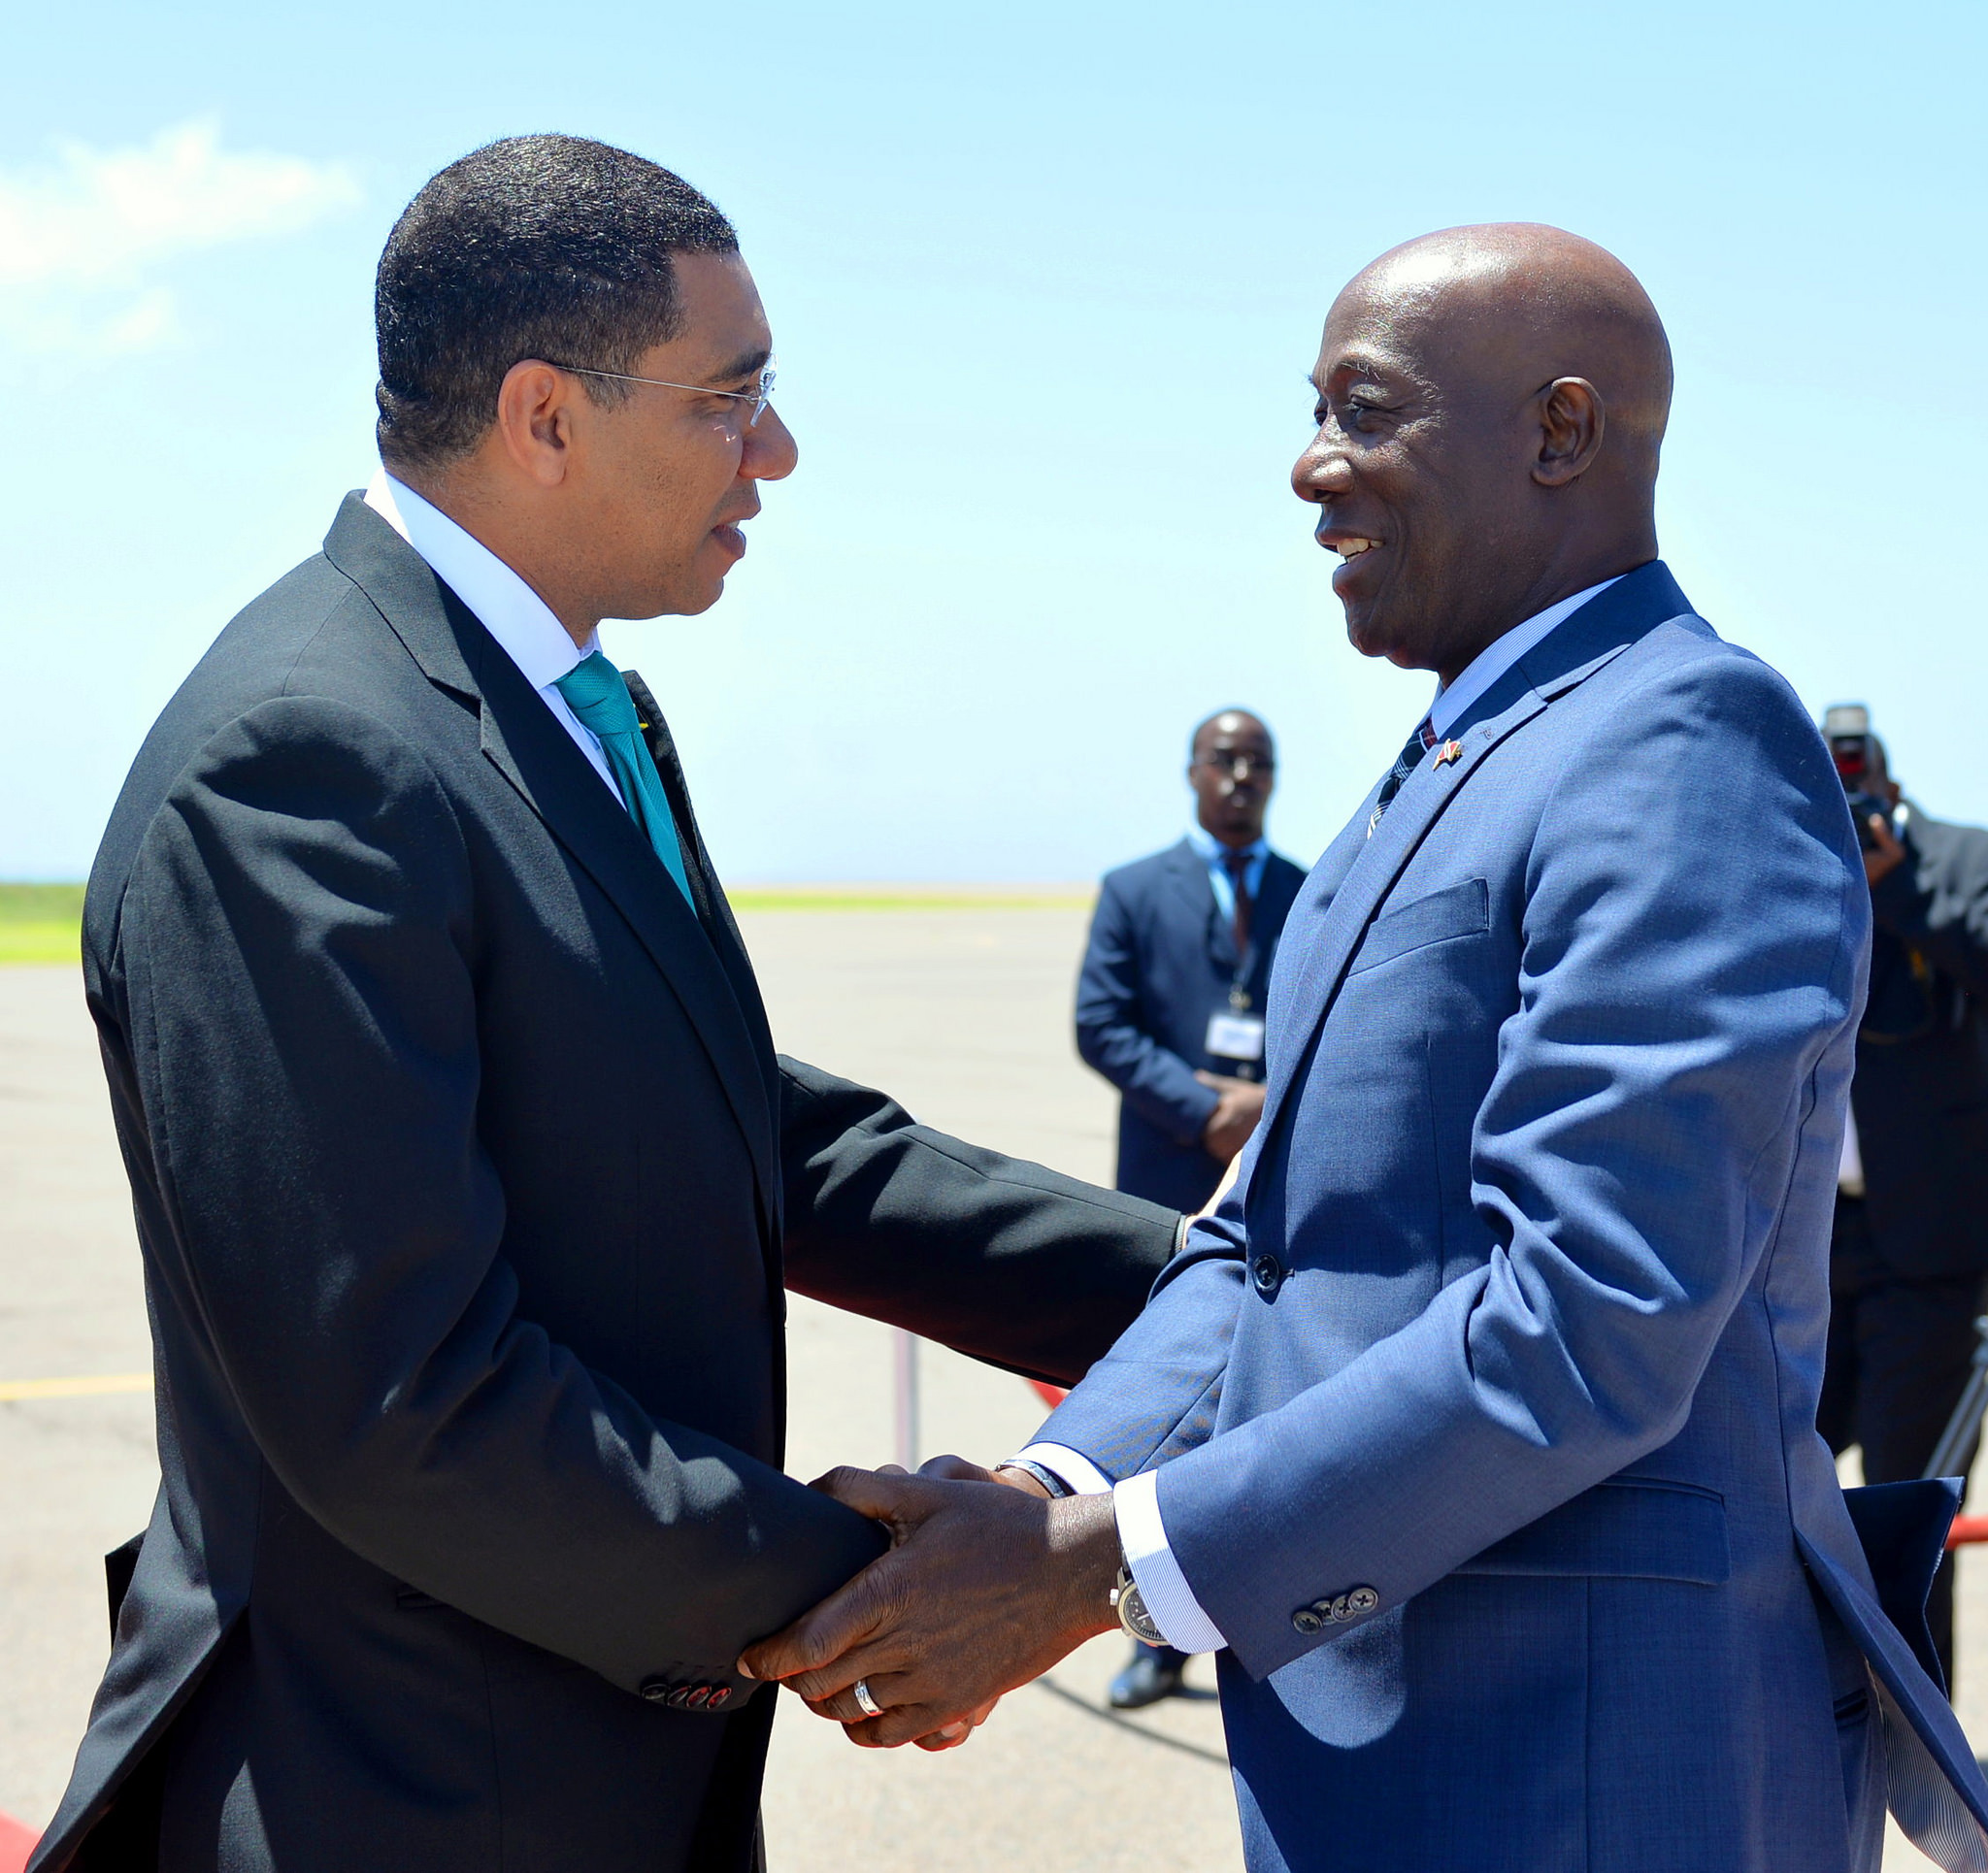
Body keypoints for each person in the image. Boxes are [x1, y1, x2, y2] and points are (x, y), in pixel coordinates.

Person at [742, 225, 1988, 1873]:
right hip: (1387, 1752)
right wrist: (1050, 1483)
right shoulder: (1452, 761)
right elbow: (1258, 1252)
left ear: (1557, 433)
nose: (1308, 467)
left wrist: (1090, 1570)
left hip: (1583, 1771)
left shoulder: (1680, 739)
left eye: (1363, 410)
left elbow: (1589, 1321)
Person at [27, 137, 1184, 1873]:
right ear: (545, 417)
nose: (775, 452)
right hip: (411, 1797)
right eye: (733, 399)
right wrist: (880, 1587)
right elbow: (404, 1401)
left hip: (593, 1774)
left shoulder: (568, 705)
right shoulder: (301, 759)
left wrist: (1210, 1291)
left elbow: (731, 1125)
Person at [1075, 707, 1305, 1706]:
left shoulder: (1309, 889)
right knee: (1161, 1424)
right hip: (1167, 1181)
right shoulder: (1134, 892)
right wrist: (1203, 1108)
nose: (1241, 775)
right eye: (1225, 759)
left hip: (1275, 1188)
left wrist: (1262, 1109)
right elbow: (1100, 1021)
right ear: (1191, 772)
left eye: (1258, 761)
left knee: (1272, 1413)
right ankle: (1151, 1638)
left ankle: (1273, 1623)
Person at [1817, 706, 1988, 1692]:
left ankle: (1915, 1730)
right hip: (1804, 1247)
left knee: (1910, 1501)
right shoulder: (1796, 866)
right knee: (1767, 1470)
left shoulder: (1955, 861)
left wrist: (1899, 892)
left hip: (1929, 1258)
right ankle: (1809, 1704)